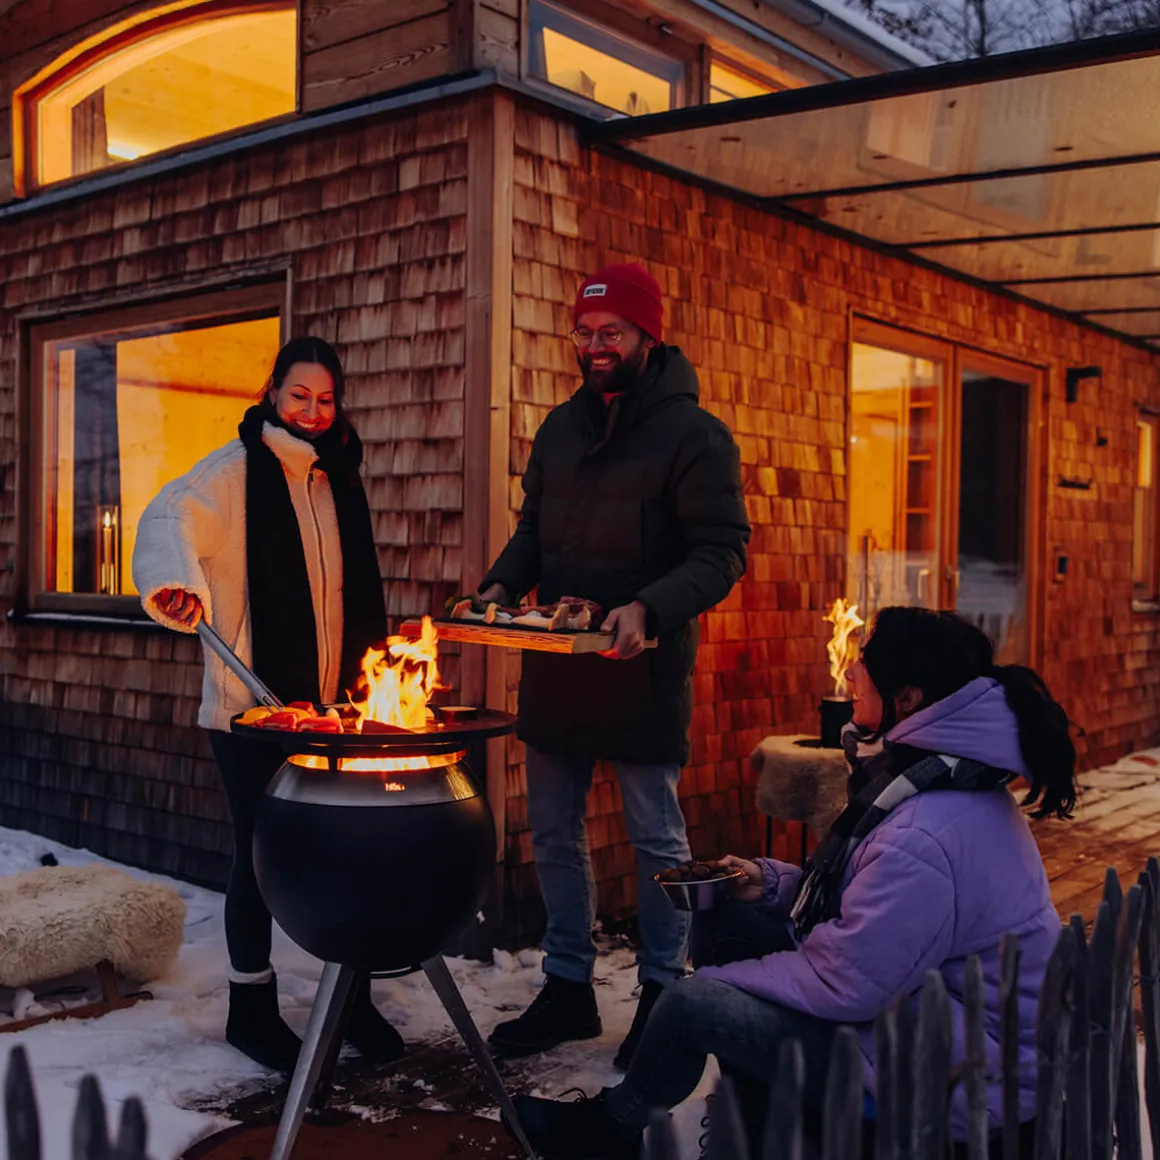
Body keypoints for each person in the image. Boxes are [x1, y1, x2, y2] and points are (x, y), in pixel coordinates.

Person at [512, 606, 1075, 1160]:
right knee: (728, 919)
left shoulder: (924, 830)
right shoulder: (937, 781)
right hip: (926, 1020)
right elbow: (880, 913)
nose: (850, 674)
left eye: (864, 665)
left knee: (690, 1005)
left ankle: (611, 1131)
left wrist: (728, 986)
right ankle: (760, 1114)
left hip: (955, 1075)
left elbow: (849, 979)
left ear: (907, 699)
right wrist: (774, 883)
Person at [478, 263, 751, 1068]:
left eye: (612, 333)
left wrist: (649, 607)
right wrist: (500, 583)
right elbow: (535, 531)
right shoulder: (559, 430)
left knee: (656, 838)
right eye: (585, 332)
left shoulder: (694, 435)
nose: (595, 346)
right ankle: (568, 987)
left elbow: (722, 550)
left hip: (642, 667)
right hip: (559, 664)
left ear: (647, 335)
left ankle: (666, 995)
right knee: (554, 833)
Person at [132, 337, 405, 1074]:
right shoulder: (233, 473)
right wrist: (175, 583)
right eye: (298, 396)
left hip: (330, 708)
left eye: (325, 399)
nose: (312, 412)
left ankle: (352, 998)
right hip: (249, 711)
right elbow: (168, 518)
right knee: (258, 854)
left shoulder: (336, 478)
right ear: (272, 393)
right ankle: (250, 1010)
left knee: (349, 849)